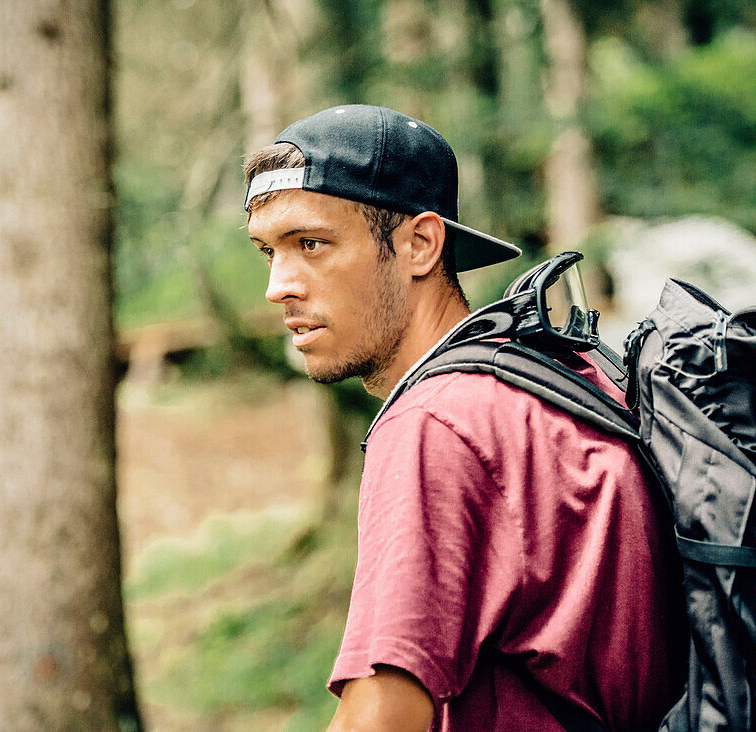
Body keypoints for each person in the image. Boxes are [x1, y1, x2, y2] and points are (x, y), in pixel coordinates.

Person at [243, 104, 677, 731]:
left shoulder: (433, 424)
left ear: (420, 244)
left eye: (311, 243)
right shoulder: (561, 378)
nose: (278, 285)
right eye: (269, 252)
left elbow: (382, 713)